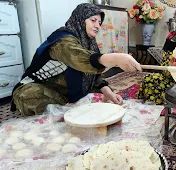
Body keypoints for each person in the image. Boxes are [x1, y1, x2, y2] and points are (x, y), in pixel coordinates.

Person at [11, 3, 141, 116]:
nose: (97, 26)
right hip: (45, 87)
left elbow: (94, 76)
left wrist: (109, 94)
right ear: (80, 19)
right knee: (30, 95)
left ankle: (67, 107)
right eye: (93, 20)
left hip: (64, 91)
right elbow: (79, 58)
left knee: (96, 96)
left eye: (99, 23)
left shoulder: (89, 42)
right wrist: (117, 58)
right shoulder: (63, 40)